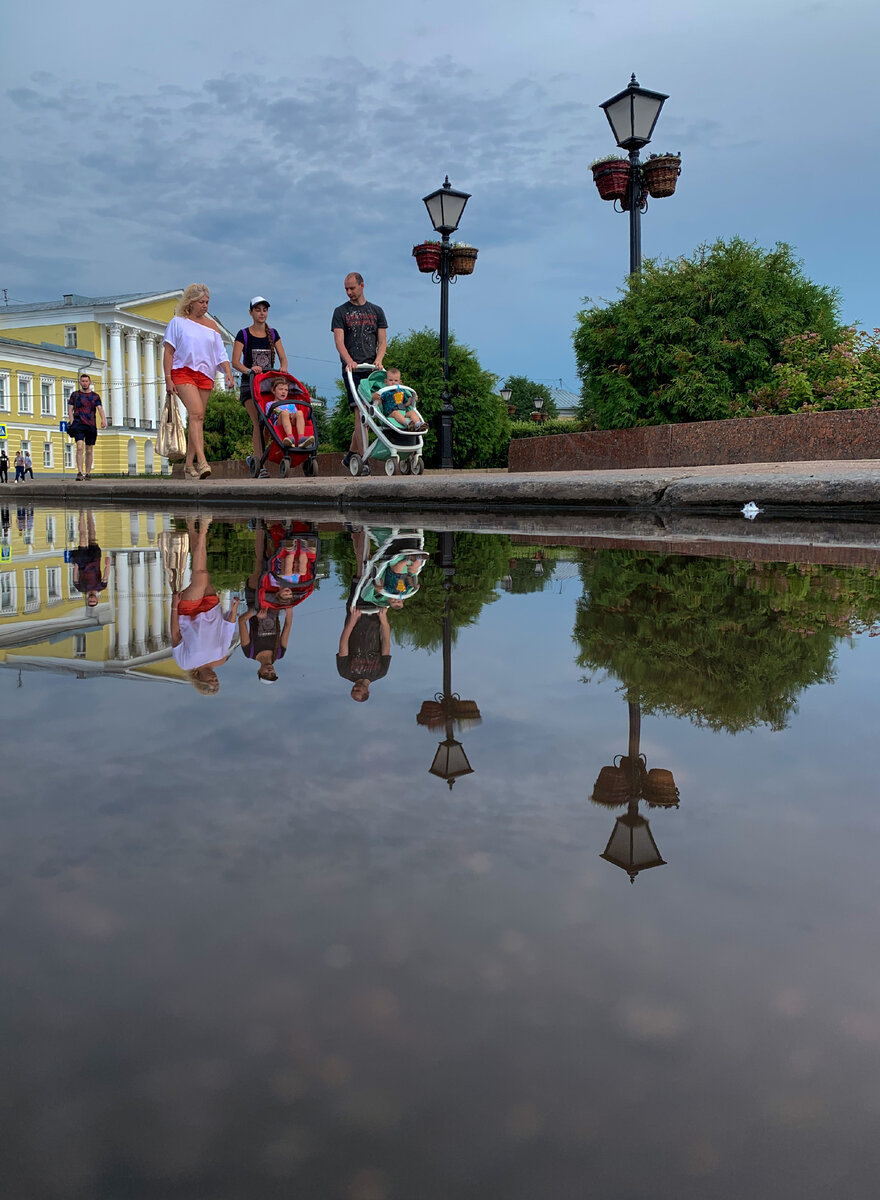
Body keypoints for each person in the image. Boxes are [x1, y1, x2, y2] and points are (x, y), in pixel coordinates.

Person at [163, 284, 234, 480]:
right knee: (195, 413)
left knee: (198, 418)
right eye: (201, 302)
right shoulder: (177, 323)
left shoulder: (212, 326)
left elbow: (221, 354)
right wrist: (168, 379)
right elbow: (168, 352)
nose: (205, 306)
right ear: (191, 302)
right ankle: (202, 462)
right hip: (183, 372)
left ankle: (188, 465)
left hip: (206, 374)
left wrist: (228, 372)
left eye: (207, 302)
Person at [170, 517, 237, 694]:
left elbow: (176, 635)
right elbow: (227, 630)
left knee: (200, 577)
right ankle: (191, 524)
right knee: (202, 571)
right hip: (212, 609)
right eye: (217, 683)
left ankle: (204, 529)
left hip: (188, 612)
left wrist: (174, 606)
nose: (215, 680)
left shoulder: (185, 663)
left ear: (199, 680)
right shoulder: (221, 659)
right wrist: (234, 608)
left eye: (211, 683)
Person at [331, 272, 387, 472]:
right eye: (346, 289)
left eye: (352, 288)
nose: (349, 292)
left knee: (373, 413)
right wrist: (349, 361)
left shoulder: (376, 311)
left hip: (371, 369)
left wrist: (379, 360)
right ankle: (364, 459)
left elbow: (382, 341)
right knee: (360, 412)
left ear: (362, 286)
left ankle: (350, 456)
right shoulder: (340, 312)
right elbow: (339, 342)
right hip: (352, 369)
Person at [231, 297, 288, 479]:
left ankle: (256, 458)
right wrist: (248, 370)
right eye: (258, 310)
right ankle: (260, 464)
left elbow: (283, 358)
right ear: (251, 313)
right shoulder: (243, 335)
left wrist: (283, 369)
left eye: (264, 310)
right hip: (250, 384)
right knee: (257, 421)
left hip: (268, 384)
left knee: (268, 422)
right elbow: (235, 362)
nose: (261, 313)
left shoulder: (273, 333)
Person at [337, 527, 394, 702]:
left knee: (362, 572)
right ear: (367, 692)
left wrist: (352, 620)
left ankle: (361, 531)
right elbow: (385, 642)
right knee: (379, 577)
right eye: (358, 691)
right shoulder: (381, 672)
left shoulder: (345, 672)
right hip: (376, 615)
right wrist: (384, 620)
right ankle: (366, 535)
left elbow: (343, 644)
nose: (355, 687)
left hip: (357, 613)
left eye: (353, 690)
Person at [67, 373, 107, 480]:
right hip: (78, 424)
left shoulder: (95, 396)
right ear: (80, 382)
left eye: (86, 381)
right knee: (79, 447)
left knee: (89, 450)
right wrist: (72, 422)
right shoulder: (75, 395)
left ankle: (88, 472)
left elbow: (100, 409)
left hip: (91, 425)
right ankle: (79, 472)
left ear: (89, 382)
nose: (84, 383)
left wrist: (103, 420)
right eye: (83, 381)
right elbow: (70, 409)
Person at [70, 510, 110, 607]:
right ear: (97, 600)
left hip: (82, 562)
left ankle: (81, 514)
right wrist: (107, 565)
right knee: (92, 535)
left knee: (82, 537)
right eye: (93, 601)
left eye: (90, 601)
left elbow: (75, 576)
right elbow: (105, 575)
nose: (91, 599)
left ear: (87, 600)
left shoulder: (80, 588)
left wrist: (76, 565)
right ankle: (89, 513)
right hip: (95, 559)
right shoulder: (101, 586)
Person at [265, 378, 315, 450]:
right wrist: (278, 412)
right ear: (273, 390)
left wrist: (292, 414)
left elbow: (295, 413)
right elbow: (269, 417)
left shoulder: (291, 403)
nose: (283, 392)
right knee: (284, 413)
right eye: (281, 389)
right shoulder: (270, 404)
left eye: (286, 390)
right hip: (278, 423)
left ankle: (301, 437)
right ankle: (290, 437)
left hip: (292, 421)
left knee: (299, 413)